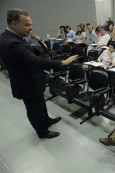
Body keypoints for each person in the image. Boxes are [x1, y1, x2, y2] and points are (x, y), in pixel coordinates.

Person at [0, 8, 77, 139]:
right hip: (27, 83)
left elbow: (26, 56)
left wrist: (38, 49)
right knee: (34, 109)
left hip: (33, 80)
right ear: (14, 24)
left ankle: (46, 120)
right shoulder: (11, 42)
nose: (30, 28)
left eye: (30, 24)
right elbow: (35, 61)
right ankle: (42, 132)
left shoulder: (12, 37)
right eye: (27, 25)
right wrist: (62, 63)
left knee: (40, 103)